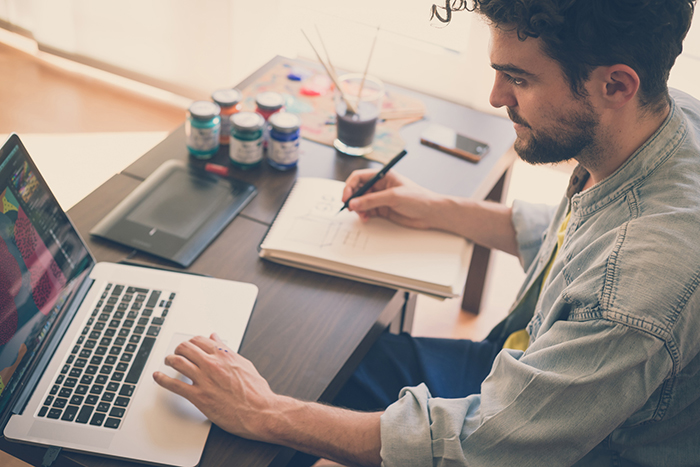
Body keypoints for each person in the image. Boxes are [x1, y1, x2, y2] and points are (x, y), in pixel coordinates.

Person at [153, 0, 700, 465]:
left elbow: (481, 447)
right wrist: (435, 207)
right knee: (316, 364)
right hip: (525, 368)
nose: (495, 97)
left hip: (574, 448)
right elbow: (577, 238)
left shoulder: (634, 289)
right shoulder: (664, 122)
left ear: (615, 85)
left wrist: (266, 413)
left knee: (269, 408)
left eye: (519, 78)